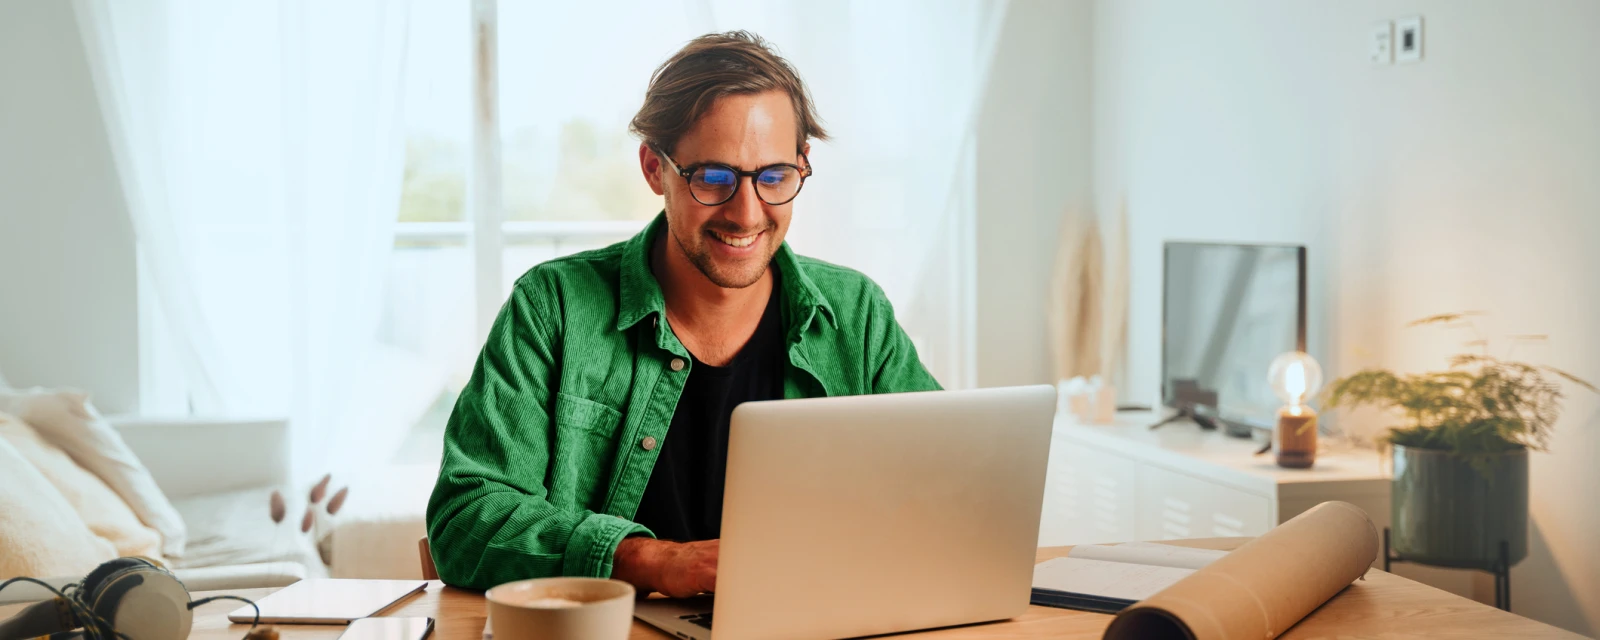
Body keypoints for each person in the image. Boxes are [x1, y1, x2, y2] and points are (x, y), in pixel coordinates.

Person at [425, 31, 940, 597]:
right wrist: (650, 560)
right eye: (714, 179)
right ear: (654, 169)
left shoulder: (856, 313)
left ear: (801, 165)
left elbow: (942, 484)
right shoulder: (553, 309)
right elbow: (466, 516)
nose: (746, 214)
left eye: (773, 178)